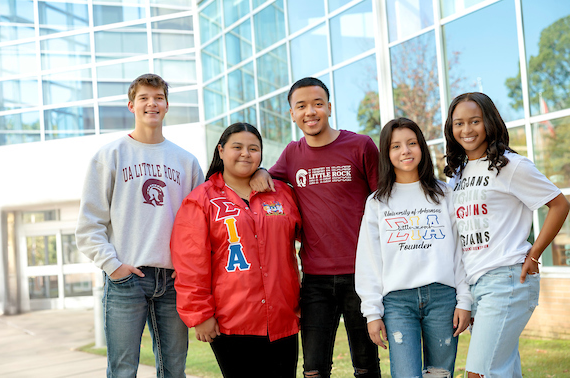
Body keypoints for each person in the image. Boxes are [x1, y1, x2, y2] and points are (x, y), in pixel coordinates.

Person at [250, 77, 381, 377]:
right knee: (313, 369)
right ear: (292, 114)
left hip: (362, 274)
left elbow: (383, 204)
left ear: (330, 108)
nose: (311, 111)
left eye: (318, 104)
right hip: (315, 280)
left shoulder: (361, 145)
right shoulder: (292, 153)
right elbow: (265, 178)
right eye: (302, 106)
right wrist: (260, 170)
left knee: (365, 365)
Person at [75, 73, 204, 378]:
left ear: (167, 105)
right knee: (122, 371)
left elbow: (200, 226)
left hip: (174, 281)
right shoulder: (110, 155)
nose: (152, 104)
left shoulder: (186, 162)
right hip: (126, 278)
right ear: (131, 105)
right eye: (144, 98)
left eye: (158, 97)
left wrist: (188, 268)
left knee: (174, 371)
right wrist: (113, 266)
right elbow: (89, 223)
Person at [443, 92, 570, 378]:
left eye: (474, 121)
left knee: (478, 373)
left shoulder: (511, 165)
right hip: (477, 284)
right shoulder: (457, 174)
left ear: (489, 122)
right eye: (458, 123)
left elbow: (559, 204)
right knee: (503, 371)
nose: (466, 130)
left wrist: (534, 253)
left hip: (507, 280)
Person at [170, 123, 302, 378]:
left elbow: (312, 240)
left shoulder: (281, 193)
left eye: (254, 149)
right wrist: (199, 314)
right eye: (237, 147)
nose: (246, 154)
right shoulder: (201, 200)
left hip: (282, 317)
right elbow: (190, 263)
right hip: (231, 321)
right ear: (220, 150)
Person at [355, 118, 472, 377]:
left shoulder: (444, 194)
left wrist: (465, 300)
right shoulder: (377, 202)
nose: (405, 151)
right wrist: (372, 313)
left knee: (440, 374)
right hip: (397, 302)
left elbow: (460, 252)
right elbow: (369, 260)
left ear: (422, 147)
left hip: (443, 298)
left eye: (411, 143)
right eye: (395, 146)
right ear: (387, 154)